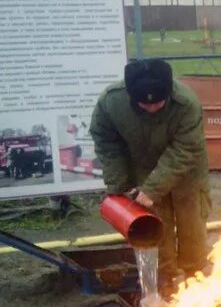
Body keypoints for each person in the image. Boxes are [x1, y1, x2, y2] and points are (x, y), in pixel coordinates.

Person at [90, 59, 211, 284]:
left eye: (159, 103)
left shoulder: (186, 103)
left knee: (192, 226)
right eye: (145, 105)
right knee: (156, 229)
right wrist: (120, 186)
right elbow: (107, 142)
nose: (153, 108)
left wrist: (153, 188)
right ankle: (166, 280)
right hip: (143, 169)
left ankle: (195, 278)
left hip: (187, 172)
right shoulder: (111, 102)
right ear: (131, 94)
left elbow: (185, 148)